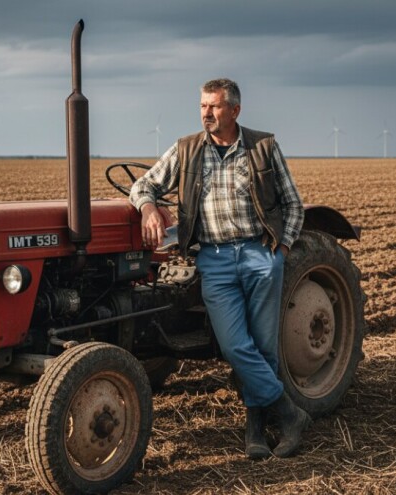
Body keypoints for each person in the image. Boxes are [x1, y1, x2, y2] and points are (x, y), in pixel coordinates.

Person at [129, 78, 310, 459]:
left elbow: (293, 203)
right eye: (202, 106)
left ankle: (256, 430)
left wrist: (283, 247)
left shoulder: (262, 147)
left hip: (260, 254)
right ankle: (290, 413)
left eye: (214, 106)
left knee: (264, 347)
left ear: (235, 111)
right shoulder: (187, 149)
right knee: (234, 346)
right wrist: (147, 207)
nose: (206, 113)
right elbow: (144, 185)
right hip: (215, 258)